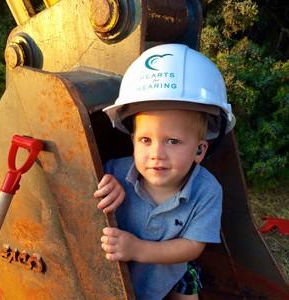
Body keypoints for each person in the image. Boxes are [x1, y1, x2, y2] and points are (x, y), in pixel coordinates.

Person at [93, 44, 236, 300]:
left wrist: (137, 249)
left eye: (173, 141)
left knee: (187, 286)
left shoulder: (207, 190)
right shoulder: (115, 170)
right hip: (122, 274)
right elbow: (82, 199)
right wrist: (103, 186)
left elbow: (192, 247)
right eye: (145, 140)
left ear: (199, 151)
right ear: (133, 140)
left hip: (171, 271)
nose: (157, 153)